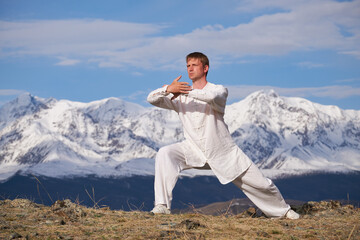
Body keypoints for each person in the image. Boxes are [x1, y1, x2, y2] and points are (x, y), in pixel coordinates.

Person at [147, 52, 299, 219]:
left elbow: (212, 97)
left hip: (224, 152)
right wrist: (168, 89)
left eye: (194, 65)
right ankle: (161, 206)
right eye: (188, 66)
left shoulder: (218, 90)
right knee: (165, 153)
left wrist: (185, 92)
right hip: (193, 149)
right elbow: (151, 99)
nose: (190, 69)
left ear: (205, 68)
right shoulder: (178, 96)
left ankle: (283, 211)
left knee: (262, 184)